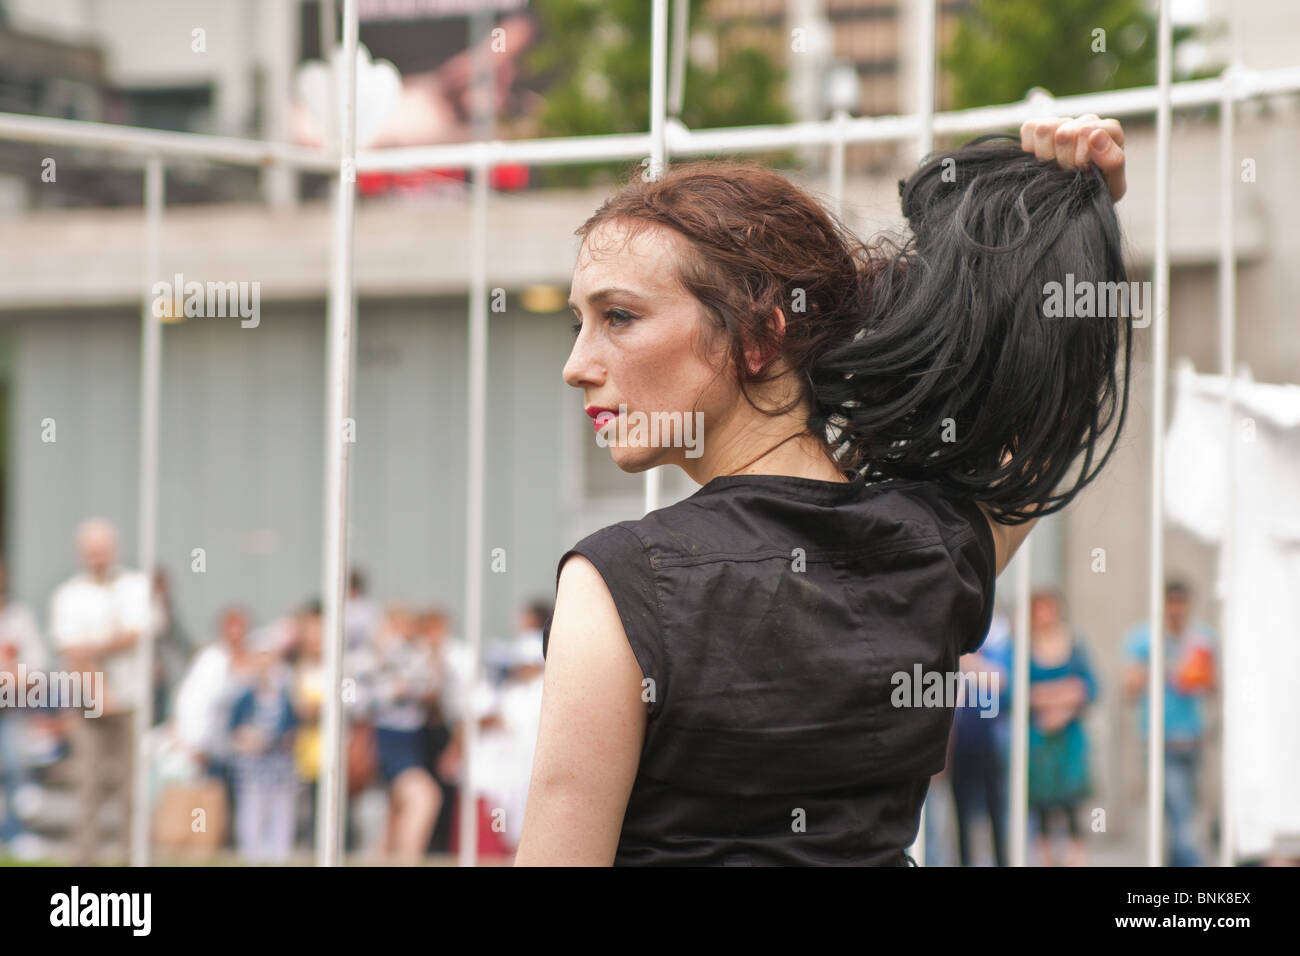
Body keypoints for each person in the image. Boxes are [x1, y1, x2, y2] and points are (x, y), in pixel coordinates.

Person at [515, 115, 1132, 866]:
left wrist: (1071, 203)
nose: (578, 364)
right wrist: (1078, 210)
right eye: (580, 322)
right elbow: (1047, 414)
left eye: (618, 316)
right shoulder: (932, 553)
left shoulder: (615, 587)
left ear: (760, 336)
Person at [48, 518, 154, 865]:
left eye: (103, 550)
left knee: (131, 788)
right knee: (88, 786)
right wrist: (97, 686)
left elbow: (137, 634)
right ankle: (85, 861)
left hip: (131, 701)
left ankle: (130, 857)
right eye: (92, 551)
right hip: (87, 703)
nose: (98, 557)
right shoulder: (68, 594)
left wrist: (92, 649)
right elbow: (70, 649)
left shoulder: (136, 586)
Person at [1123, 579, 1217, 866]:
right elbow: (1129, 687)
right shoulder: (1145, 639)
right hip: (1158, 739)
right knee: (1177, 812)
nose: (1176, 610)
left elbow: (1213, 685)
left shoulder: (1202, 638)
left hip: (1191, 738)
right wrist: (1161, 666)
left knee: (1184, 812)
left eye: (1181, 603)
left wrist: (1194, 675)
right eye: (1171, 603)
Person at [1026, 590, 1097, 867]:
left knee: (1072, 807)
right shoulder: (1025, 647)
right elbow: (1016, 692)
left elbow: (1090, 687)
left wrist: (1057, 704)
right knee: (1041, 811)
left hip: (1069, 741)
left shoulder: (1075, 645)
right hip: (1038, 742)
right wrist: (1064, 693)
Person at [228, 627, 298, 863]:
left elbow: (290, 725)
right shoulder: (243, 692)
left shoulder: (285, 691)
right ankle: (252, 856)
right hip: (252, 765)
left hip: (279, 763)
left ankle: (279, 856)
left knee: (281, 811)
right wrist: (245, 739)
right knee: (252, 810)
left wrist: (274, 739)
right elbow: (234, 726)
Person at [949, 608, 1011, 866]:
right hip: (959, 743)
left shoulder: (1000, 640)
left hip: (990, 742)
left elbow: (1002, 683)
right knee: (961, 816)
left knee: (996, 811)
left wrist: (969, 662)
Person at [0, 557, 46, 855]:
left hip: (11, 707)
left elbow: (36, 665)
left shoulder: (19, 617)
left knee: (15, 767)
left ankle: (16, 834)